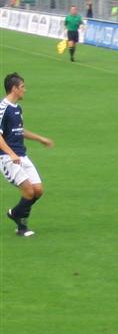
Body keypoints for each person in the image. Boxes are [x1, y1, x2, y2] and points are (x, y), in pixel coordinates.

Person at [1, 73, 54, 237]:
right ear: (14, 89)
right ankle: (21, 227)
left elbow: (19, 130)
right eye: (22, 87)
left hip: (22, 155)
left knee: (38, 190)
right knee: (29, 192)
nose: (25, 90)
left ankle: (15, 213)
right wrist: (11, 154)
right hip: (8, 158)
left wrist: (40, 138)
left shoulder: (17, 108)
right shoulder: (2, 108)